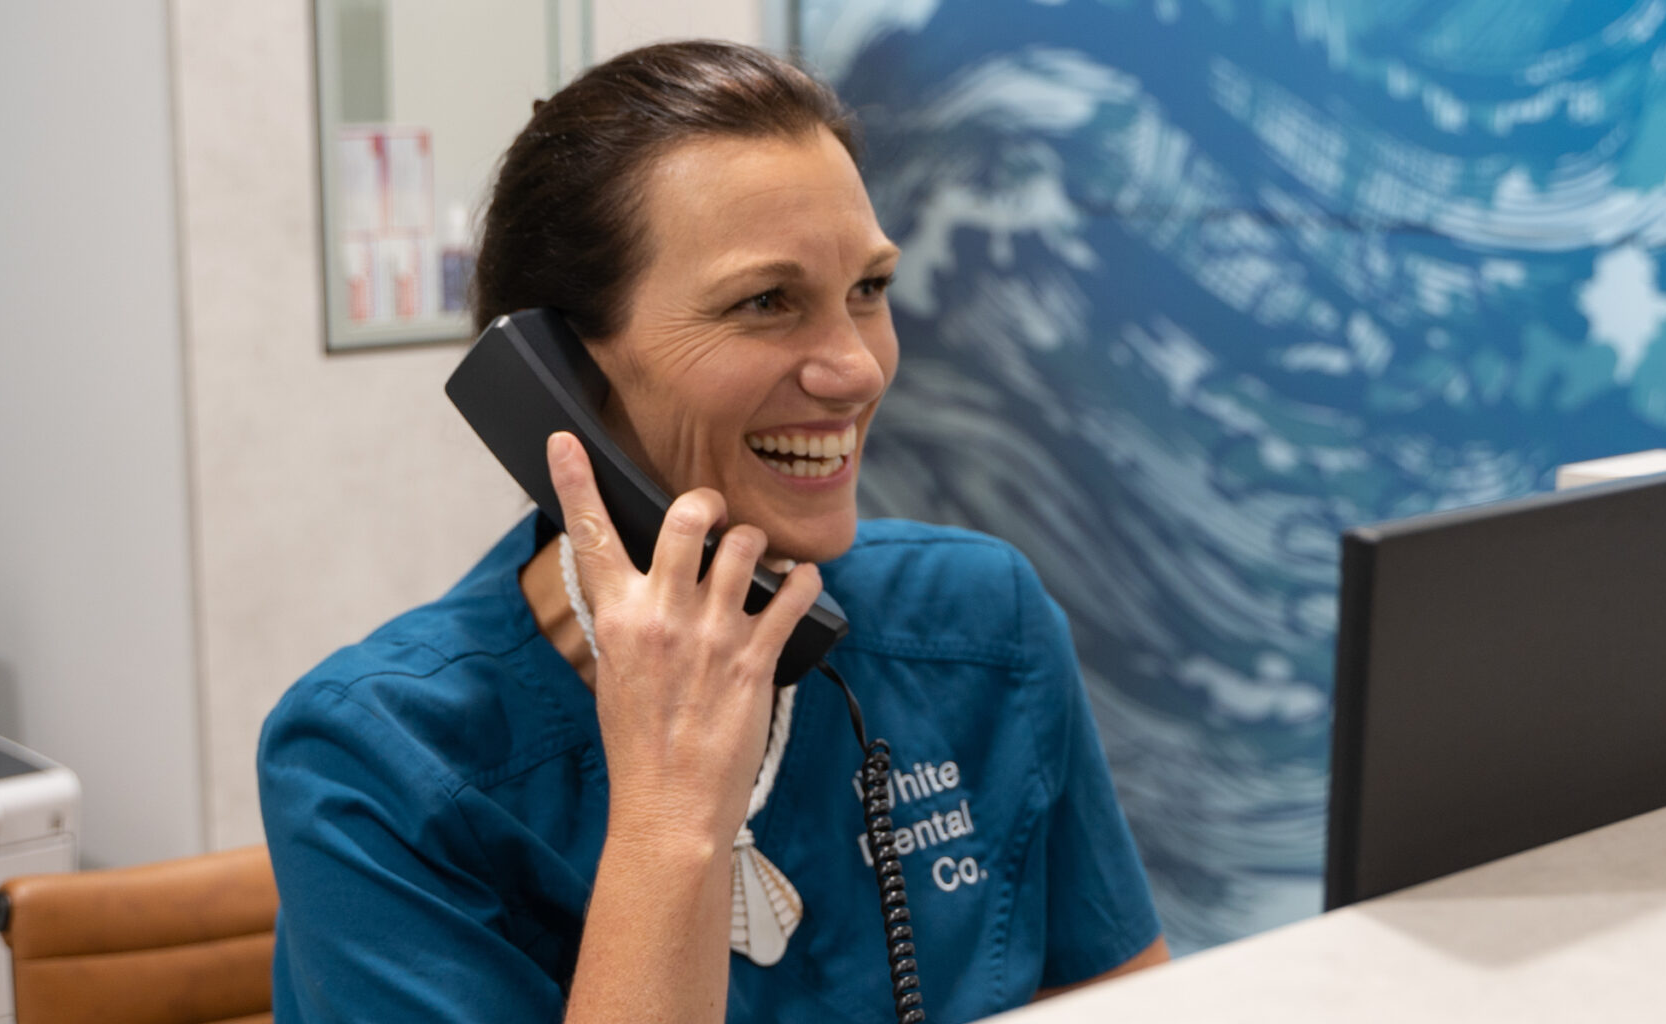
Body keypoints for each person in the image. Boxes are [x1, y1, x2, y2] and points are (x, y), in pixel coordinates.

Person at [257, 40, 1169, 1024]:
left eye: (868, 289)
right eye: (766, 302)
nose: (856, 369)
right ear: (555, 375)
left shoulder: (982, 625)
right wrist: (669, 815)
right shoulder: (371, 762)